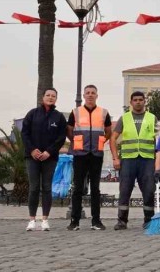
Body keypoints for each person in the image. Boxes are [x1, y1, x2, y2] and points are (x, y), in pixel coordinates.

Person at [65, 84, 112, 231]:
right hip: (80, 154)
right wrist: (77, 142)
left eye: (93, 93)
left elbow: (108, 131)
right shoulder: (75, 112)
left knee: (95, 188)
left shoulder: (104, 112)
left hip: (96, 154)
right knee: (78, 187)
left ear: (97, 96)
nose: (90, 95)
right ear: (84, 96)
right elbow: (69, 131)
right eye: (88, 93)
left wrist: (101, 141)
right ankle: (75, 221)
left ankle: (96, 221)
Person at [21, 88, 68, 231]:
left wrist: (49, 151)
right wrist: (32, 150)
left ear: (56, 99)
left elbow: (61, 138)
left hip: (50, 158)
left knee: (47, 188)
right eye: (48, 95)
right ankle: (31, 220)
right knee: (34, 188)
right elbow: (25, 133)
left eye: (53, 96)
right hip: (32, 157)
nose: (50, 98)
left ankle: (45, 220)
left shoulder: (59, 117)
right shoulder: (32, 114)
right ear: (43, 97)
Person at [109, 91, 158, 230]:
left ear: (144, 102)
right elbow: (113, 138)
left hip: (147, 159)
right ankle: (122, 220)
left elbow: (158, 139)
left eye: (140, 100)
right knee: (125, 190)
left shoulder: (152, 118)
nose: (138, 102)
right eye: (135, 100)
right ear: (131, 102)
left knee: (149, 190)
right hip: (128, 160)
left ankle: (149, 219)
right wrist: (115, 158)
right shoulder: (124, 118)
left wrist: (158, 159)